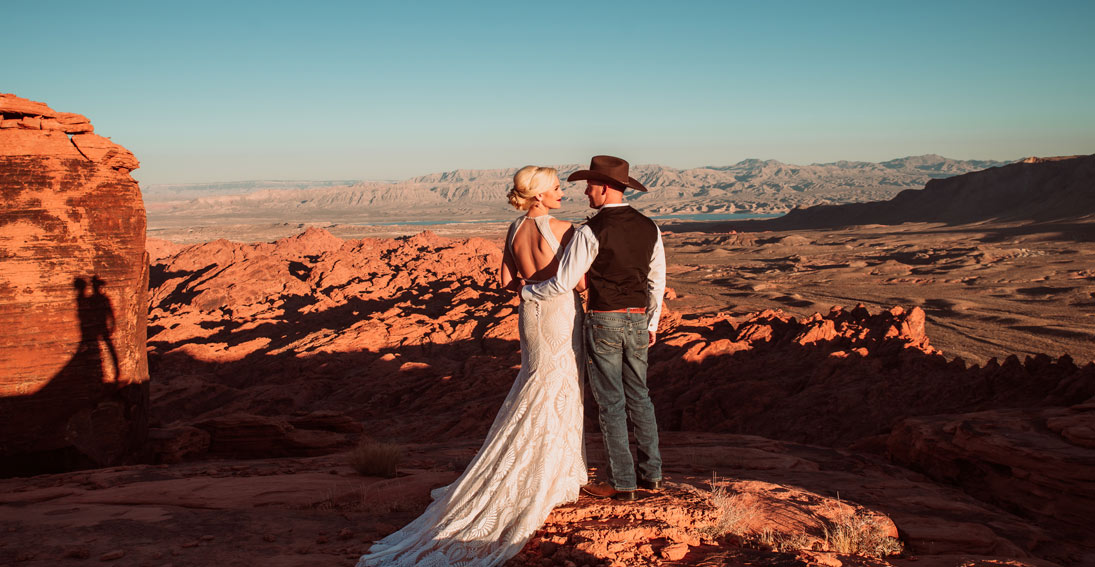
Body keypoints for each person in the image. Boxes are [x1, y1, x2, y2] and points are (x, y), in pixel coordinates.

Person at [357, 166, 587, 567]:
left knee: (537, 382)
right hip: (558, 312)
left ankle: (535, 466)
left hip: (530, 313)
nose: (561, 193)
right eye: (554, 188)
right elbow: (579, 283)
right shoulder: (565, 229)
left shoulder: (515, 229)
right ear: (537, 195)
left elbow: (504, 279)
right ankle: (553, 473)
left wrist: (531, 286)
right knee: (561, 383)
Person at [522, 155, 665, 502]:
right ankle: (653, 475)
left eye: (589, 186)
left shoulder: (592, 230)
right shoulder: (650, 227)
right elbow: (656, 279)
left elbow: (564, 282)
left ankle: (622, 481)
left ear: (604, 188)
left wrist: (530, 290)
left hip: (604, 318)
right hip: (637, 318)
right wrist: (652, 321)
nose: (586, 193)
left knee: (611, 403)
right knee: (641, 398)